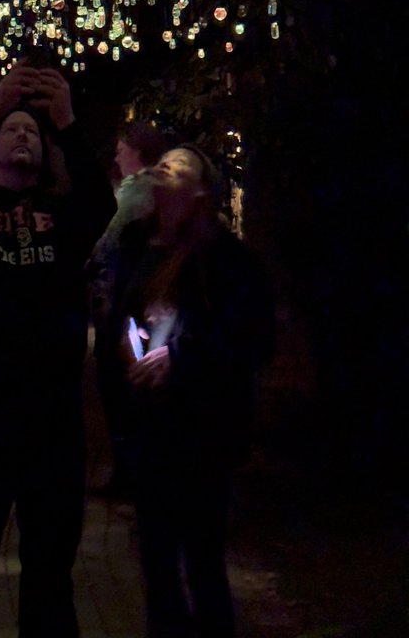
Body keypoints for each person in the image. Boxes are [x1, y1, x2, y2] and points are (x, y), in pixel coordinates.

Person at [0, 61, 116, 638]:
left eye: (29, 132)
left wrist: (64, 121)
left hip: (50, 423)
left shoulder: (63, 217)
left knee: (49, 575)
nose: (21, 135)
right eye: (12, 130)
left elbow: (100, 203)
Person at [107, 144, 275, 638]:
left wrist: (180, 356)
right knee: (155, 558)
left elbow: (251, 336)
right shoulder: (136, 244)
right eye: (162, 163)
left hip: (202, 429)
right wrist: (129, 341)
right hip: (147, 426)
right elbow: (123, 310)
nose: (165, 168)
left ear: (200, 190)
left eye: (180, 166)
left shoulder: (227, 257)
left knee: (202, 556)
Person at [90, 120, 169, 497]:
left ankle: (128, 474)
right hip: (139, 299)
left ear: (137, 151)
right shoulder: (151, 190)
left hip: (123, 301)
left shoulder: (136, 194)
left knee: (121, 386)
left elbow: (105, 242)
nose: (117, 155)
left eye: (122, 148)